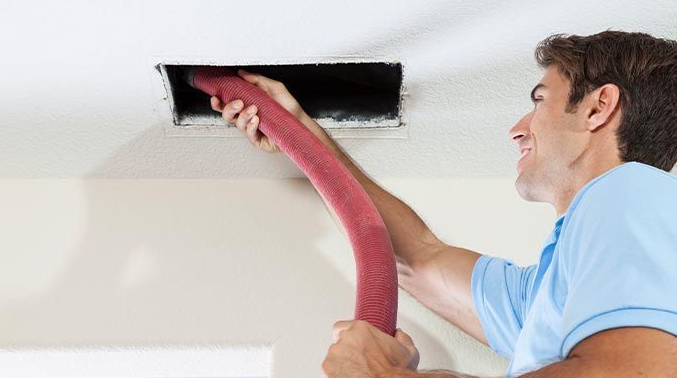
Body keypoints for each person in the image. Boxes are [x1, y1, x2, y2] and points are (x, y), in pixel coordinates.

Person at [210, 30, 677, 377]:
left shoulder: (629, 191)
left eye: (540, 101)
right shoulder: (550, 295)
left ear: (599, 107)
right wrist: (300, 133)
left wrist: (389, 376)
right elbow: (418, 258)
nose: (517, 129)